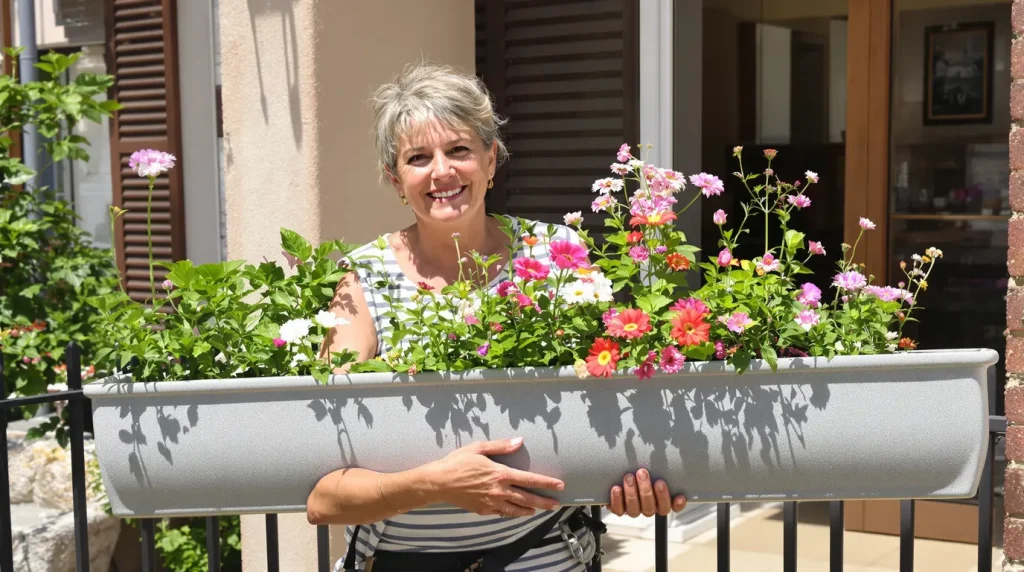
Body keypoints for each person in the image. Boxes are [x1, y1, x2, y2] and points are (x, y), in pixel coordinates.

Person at [307, 62, 687, 572]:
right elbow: (324, 495)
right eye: (419, 157)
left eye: (459, 150)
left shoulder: (559, 255)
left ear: (491, 159)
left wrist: (633, 482)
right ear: (396, 180)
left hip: (550, 559)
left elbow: (614, 410)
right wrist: (436, 483)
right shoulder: (363, 279)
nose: (441, 172)